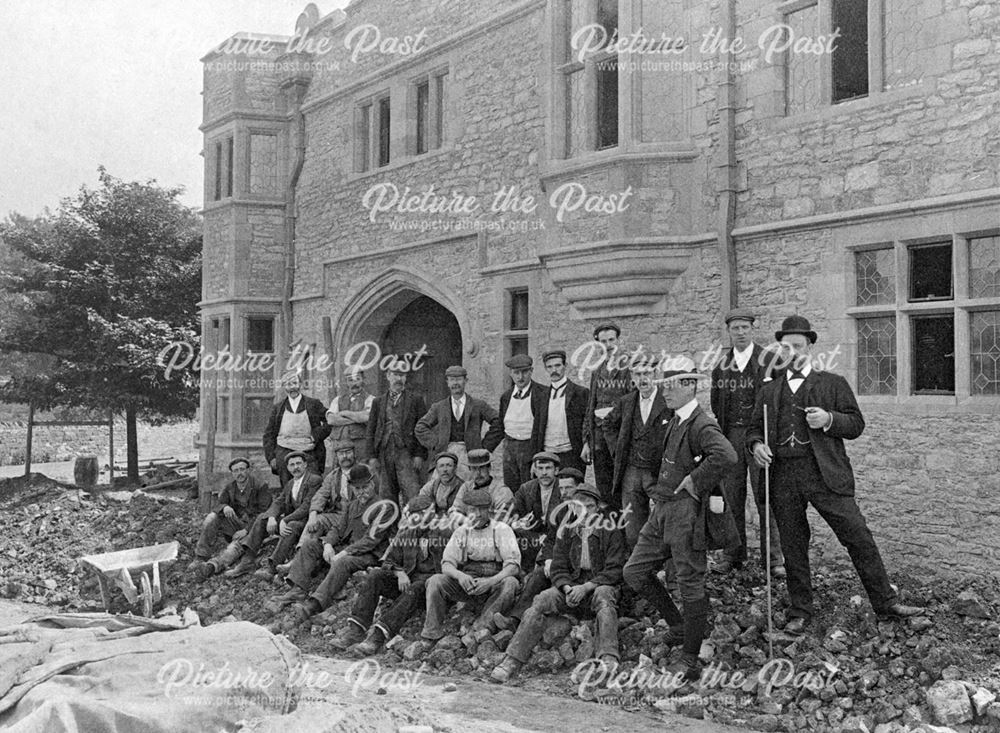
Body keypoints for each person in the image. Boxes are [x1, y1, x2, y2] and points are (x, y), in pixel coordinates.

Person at [747, 316, 922, 634]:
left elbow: (856, 424)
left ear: (810, 347)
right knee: (793, 545)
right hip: (784, 475)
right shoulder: (769, 389)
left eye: (797, 346)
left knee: (857, 536)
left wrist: (829, 418)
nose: (791, 352)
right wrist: (757, 445)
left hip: (824, 474)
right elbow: (752, 430)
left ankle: (885, 603)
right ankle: (801, 610)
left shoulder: (832, 383)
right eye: (785, 347)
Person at [623, 358, 737, 681]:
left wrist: (695, 480)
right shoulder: (674, 420)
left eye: (671, 386)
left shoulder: (702, 423)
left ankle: (689, 657)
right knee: (634, 571)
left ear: (690, 386)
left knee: (689, 580)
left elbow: (727, 455)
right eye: (665, 386)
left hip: (687, 514)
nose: (666, 392)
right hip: (663, 509)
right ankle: (677, 625)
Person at [491, 483, 626, 682]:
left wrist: (586, 587)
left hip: (597, 587)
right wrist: (566, 587)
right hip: (572, 588)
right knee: (542, 599)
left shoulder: (611, 531)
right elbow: (558, 567)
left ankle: (608, 657)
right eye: (580, 507)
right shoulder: (567, 532)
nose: (585, 512)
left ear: (598, 508)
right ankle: (512, 659)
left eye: (590, 507)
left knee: (605, 595)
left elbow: (615, 569)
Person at [710, 308, 785, 578]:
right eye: (735, 329)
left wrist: (771, 437)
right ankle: (734, 553)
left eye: (745, 328)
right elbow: (716, 403)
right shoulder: (721, 366)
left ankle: (773, 558)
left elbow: (782, 400)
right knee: (732, 495)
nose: (740, 333)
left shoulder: (770, 361)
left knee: (765, 495)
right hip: (732, 435)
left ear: (752, 330)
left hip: (762, 437)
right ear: (729, 332)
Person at [329, 494, 444, 655]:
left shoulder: (444, 534)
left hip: (432, 589)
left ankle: (377, 638)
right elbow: (388, 561)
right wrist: (400, 572)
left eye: (429, 513)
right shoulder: (407, 534)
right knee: (375, 575)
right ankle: (356, 630)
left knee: (416, 587)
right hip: (408, 582)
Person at [283, 464, 393, 622]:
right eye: (357, 488)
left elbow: (370, 540)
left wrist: (343, 552)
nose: (361, 492)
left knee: (343, 562)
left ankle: (314, 604)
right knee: (310, 544)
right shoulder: (351, 506)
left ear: (373, 484)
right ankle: (298, 588)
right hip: (346, 547)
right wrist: (328, 544)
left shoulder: (384, 507)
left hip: (369, 554)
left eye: (365, 487)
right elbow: (337, 529)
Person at [197, 452, 321, 579]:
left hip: (307, 523)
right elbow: (278, 502)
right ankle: (246, 561)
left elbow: (306, 507)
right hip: (244, 526)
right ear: (288, 468)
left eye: (299, 463)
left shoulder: (314, 480)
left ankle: (272, 567)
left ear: (305, 465)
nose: (296, 467)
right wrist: (272, 517)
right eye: (292, 465)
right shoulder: (290, 484)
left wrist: (285, 520)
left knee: (290, 525)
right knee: (262, 518)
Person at [420, 489, 521, 643]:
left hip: (494, 583)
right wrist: (460, 576)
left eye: (482, 509)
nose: (478, 514)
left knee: (511, 583)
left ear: (490, 510)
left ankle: (481, 628)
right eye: (473, 510)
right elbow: (446, 564)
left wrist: (491, 581)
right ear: (467, 511)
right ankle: (431, 633)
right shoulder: (462, 531)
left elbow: (513, 566)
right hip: (469, 583)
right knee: (435, 581)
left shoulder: (502, 530)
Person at [602, 359, 672, 548]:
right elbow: (607, 424)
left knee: (666, 521)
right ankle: (638, 570)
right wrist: (618, 451)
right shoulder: (627, 401)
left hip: (658, 472)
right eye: (638, 374)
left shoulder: (667, 401)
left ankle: (667, 571)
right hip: (631, 472)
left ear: (655, 374)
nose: (643, 379)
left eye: (647, 373)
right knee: (633, 527)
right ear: (632, 377)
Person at [415, 365, 504, 478]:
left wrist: (485, 446)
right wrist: (436, 443)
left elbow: (499, 422)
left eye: (459, 379)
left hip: (469, 455)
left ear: (465, 381)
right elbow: (420, 427)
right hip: (446, 453)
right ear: (447, 382)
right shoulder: (439, 407)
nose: (455, 383)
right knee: (440, 484)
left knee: (470, 485)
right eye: (452, 379)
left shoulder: (478, 405)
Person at [582, 324, 633, 506]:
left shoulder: (628, 367)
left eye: (611, 340)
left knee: (621, 486)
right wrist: (587, 441)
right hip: (599, 438)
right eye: (603, 341)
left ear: (618, 341)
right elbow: (591, 405)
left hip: (619, 435)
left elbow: (632, 403)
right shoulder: (597, 370)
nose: (608, 345)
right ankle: (608, 532)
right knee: (603, 487)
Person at [188, 458, 271, 570]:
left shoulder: (260, 486)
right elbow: (218, 504)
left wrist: (246, 530)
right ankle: (201, 556)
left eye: (242, 469)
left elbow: (264, 513)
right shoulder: (231, 487)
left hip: (255, 528)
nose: (239, 473)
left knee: (235, 546)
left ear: (248, 470)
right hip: (237, 524)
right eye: (235, 471)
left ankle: (213, 566)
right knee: (212, 517)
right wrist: (225, 506)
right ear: (232, 473)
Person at [366, 363, 428, 506]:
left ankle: (412, 526)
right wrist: (372, 457)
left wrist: (419, 454)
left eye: (402, 375)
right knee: (386, 494)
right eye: (395, 374)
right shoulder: (378, 402)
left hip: (407, 453)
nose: (399, 379)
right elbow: (371, 430)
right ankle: (390, 527)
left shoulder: (416, 400)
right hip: (384, 453)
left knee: (411, 492)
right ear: (388, 376)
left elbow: (422, 429)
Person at [263, 372, 331, 487]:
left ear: (300, 384)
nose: (292, 387)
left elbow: (329, 420)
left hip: (309, 451)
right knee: (287, 487)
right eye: (288, 384)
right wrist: (271, 458)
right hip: (284, 451)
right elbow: (268, 434)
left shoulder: (313, 404)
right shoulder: (278, 408)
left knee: (312, 483)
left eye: (295, 383)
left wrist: (315, 435)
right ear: (284, 387)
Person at [497, 354, 546, 491]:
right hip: (509, 449)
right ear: (510, 374)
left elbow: (542, 428)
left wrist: (537, 457)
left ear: (531, 371)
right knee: (511, 489)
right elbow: (500, 426)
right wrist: (486, 447)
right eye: (516, 373)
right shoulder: (506, 397)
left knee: (530, 489)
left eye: (524, 372)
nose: (520, 377)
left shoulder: (542, 394)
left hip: (530, 447)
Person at [538, 350, 590, 475]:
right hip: (548, 452)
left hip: (571, 453)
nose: (554, 370)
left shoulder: (580, 393)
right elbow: (537, 428)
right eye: (549, 367)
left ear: (565, 366)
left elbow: (587, 423)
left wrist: (587, 444)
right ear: (546, 369)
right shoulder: (542, 395)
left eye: (557, 366)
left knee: (572, 488)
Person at [327, 368, 374, 463]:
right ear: (346, 383)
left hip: (360, 445)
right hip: (340, 444)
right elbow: (331, 420)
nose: (354, 384)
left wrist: (345, 413)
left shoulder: (371, 399)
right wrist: (356, 418)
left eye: (357, 379)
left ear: (363, 380)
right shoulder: (337, 400)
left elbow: (366, 417)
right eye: (351, 380)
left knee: (360, 470)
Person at [449, 448, 514, 517]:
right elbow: (454, 511)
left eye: (482, 468)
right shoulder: (466, 487)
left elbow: (503, 516)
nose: (478, 473)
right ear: (469, 469)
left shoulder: (501, 490)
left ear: (489, 468)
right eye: (474, 469)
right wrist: (465, 520)